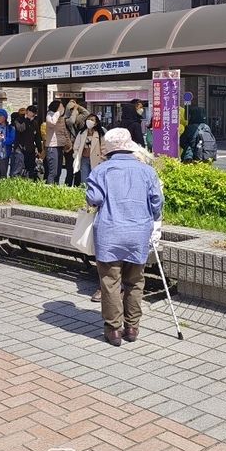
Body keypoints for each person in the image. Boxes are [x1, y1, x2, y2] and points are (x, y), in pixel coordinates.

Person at [86, 127, 163, 346]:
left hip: (109, 232)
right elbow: (157, 202)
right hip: (138, 232)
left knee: (110, 282)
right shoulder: (147, 171)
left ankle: (113, 330)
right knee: (135, 280)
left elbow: (94, 199)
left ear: (108, 149)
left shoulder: (101, 170)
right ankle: (132, 326)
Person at [72, 113, 106, 187]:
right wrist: (76, 155)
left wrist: (102, 158)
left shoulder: (100, 134)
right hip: (84, 158)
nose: (89, 121)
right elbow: (76, 145)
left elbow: (103, 147)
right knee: (84, 180)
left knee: (94, 179)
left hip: (96, 159)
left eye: (92, 120)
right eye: (88, 119)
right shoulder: (82, 133)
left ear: (96, 123)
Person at [43, 99, 70, 185]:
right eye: (61, 106)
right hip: (52, 146)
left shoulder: (61, 118)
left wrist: (69, 143)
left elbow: (64, 131)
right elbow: (52, 122)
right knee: (53, 172)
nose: (63, 109)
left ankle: (56, 188)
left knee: (58, 171)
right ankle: (49, 189)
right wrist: (58, 112)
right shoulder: (50, 114)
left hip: (60, 146)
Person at [16, 106, 42, 181]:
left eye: (33, 113)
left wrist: (39, 150)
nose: (31, 114)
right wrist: (27, 119)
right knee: (20, 169)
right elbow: (20, 129)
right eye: (30, 112)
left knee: (31, 169)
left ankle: (31, 180)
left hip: (31, 149)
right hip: (20, 149)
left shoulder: (35, 123)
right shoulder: (19, 120)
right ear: (26, 111)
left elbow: (37, 137)